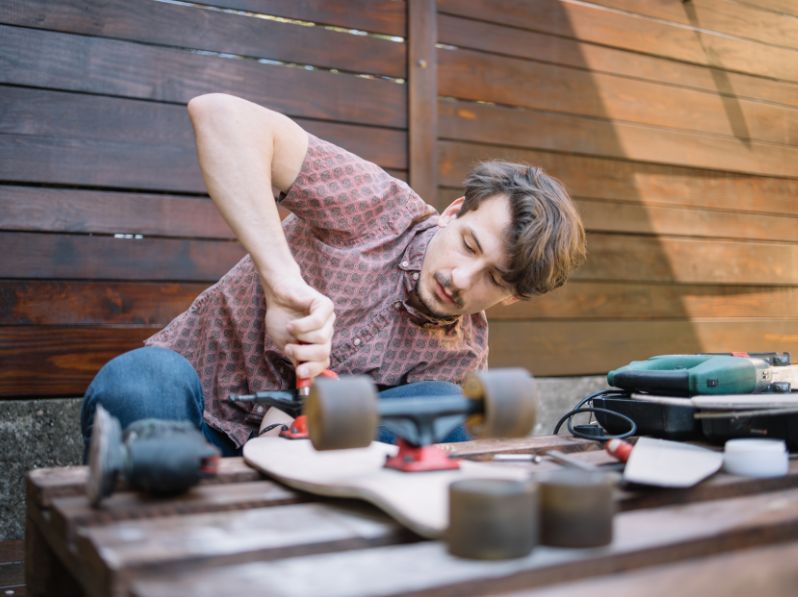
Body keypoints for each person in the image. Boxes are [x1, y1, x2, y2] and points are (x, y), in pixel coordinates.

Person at [80, 94, 586, 458]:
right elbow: (219, 115)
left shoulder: (462, 355)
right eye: (469, 244)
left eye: (494, 280)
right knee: (141, 381)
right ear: (453, 212)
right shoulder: (374, 205)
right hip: (192, 423)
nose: (460, 278)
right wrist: (282, 283)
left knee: (446, 409)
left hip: (303, 466)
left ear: (514, 298)